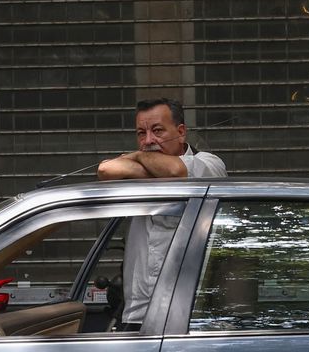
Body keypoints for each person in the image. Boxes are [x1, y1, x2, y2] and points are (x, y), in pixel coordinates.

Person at [96, 98, 225, 330]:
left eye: (157, 131)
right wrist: (150, 164)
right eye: (141, 133)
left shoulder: (208, 164)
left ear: (181, 132)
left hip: (187, 317)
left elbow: (176, 171)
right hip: (137, 314)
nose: (148, 141)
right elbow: (105, 169)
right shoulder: (150, 157)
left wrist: (135, 156)